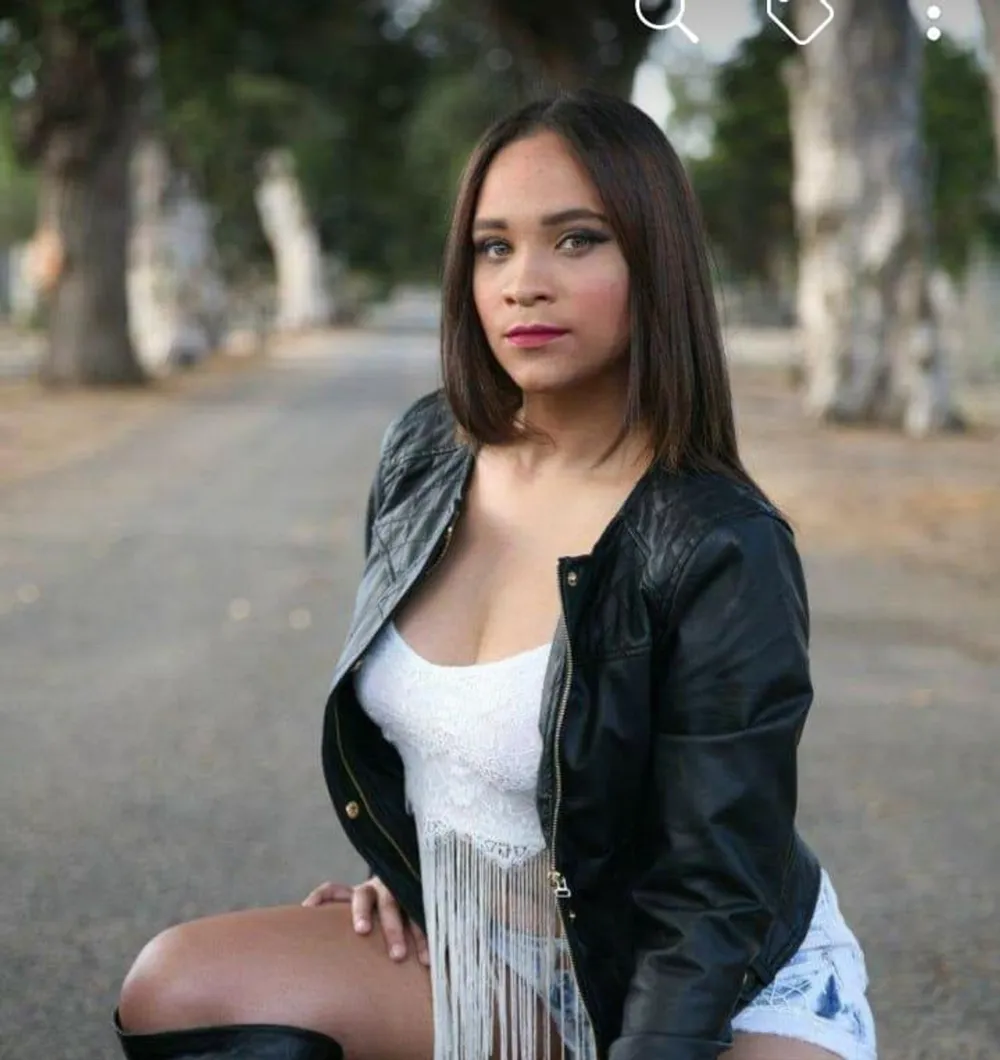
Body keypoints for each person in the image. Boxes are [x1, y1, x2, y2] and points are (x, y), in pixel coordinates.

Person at [113, 89, 878, 1060]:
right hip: (476, 942)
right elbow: (427, 743)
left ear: (656, 261)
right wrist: (407, 867)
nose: (524, 283)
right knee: (176, 984)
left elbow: (709, 898)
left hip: (707, 986)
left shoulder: (720, 542)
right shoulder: (426, 451)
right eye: (493, 247)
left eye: (577, 240)